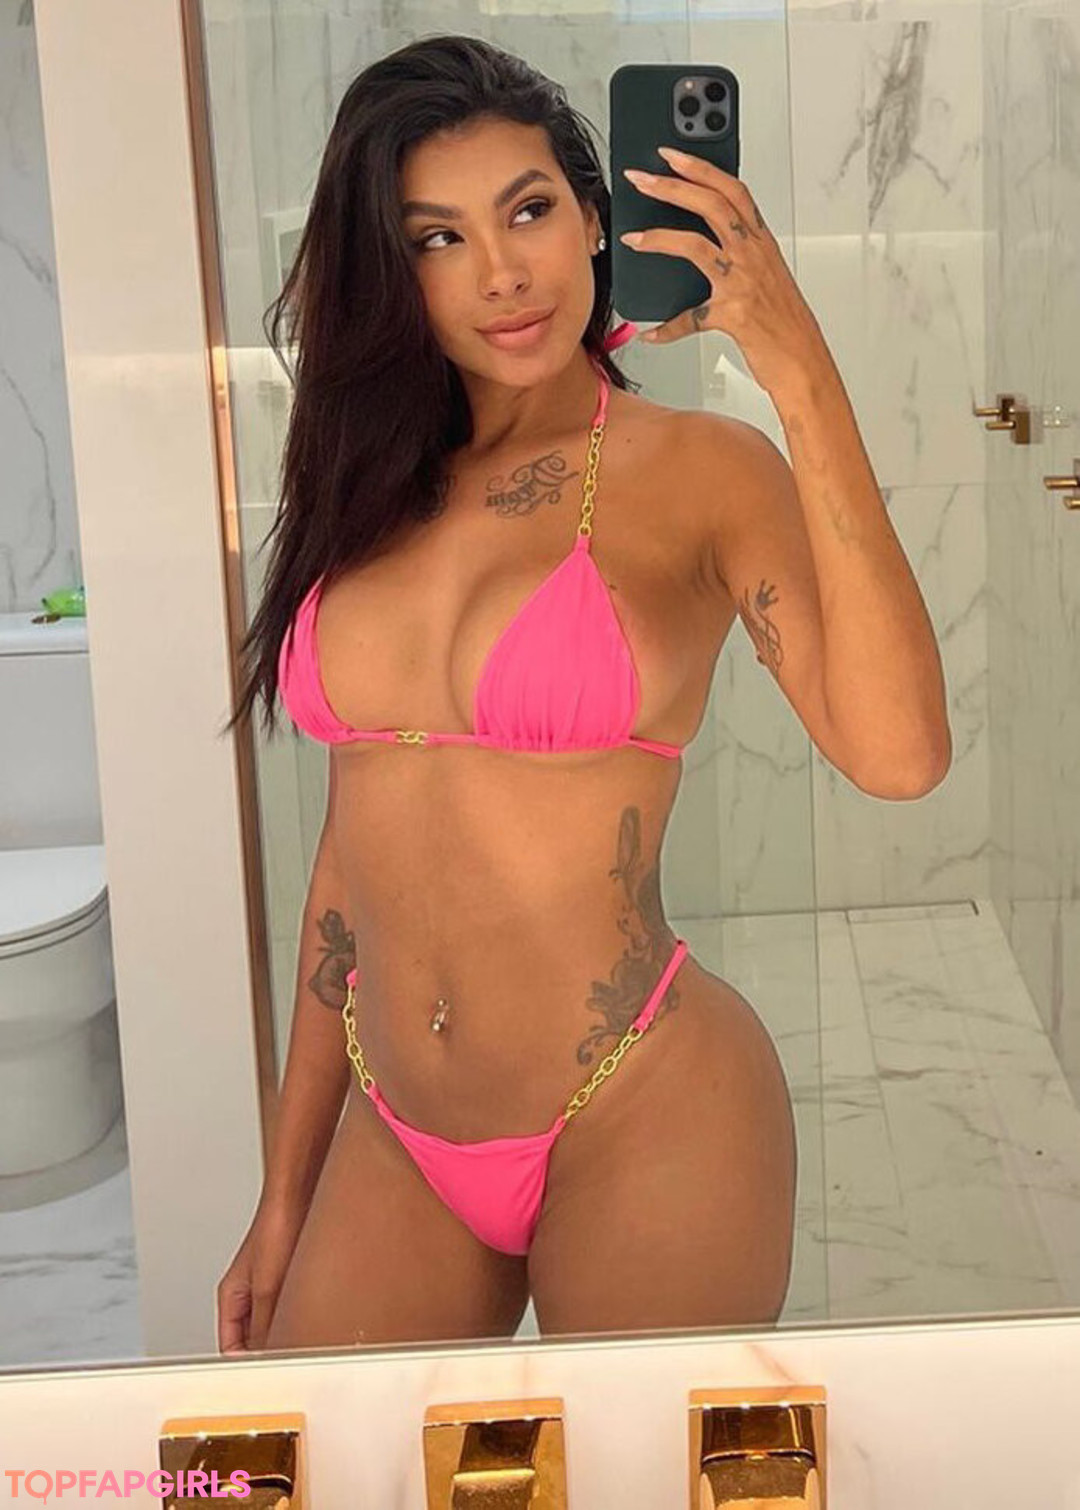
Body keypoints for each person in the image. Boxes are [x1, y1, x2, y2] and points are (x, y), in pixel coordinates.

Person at [217, 34, 950, 1351]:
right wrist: (284, 1195)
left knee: (642, 1457)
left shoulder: (700, 472)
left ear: (594, 218)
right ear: (392, 271)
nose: (501, 272)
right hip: (398, 1128)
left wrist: (797, 369)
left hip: (640, 1102)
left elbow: (898, 757)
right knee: (332, 1446)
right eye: (437, 238)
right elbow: (349, 867)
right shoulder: (365, 487)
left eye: (529, 210)